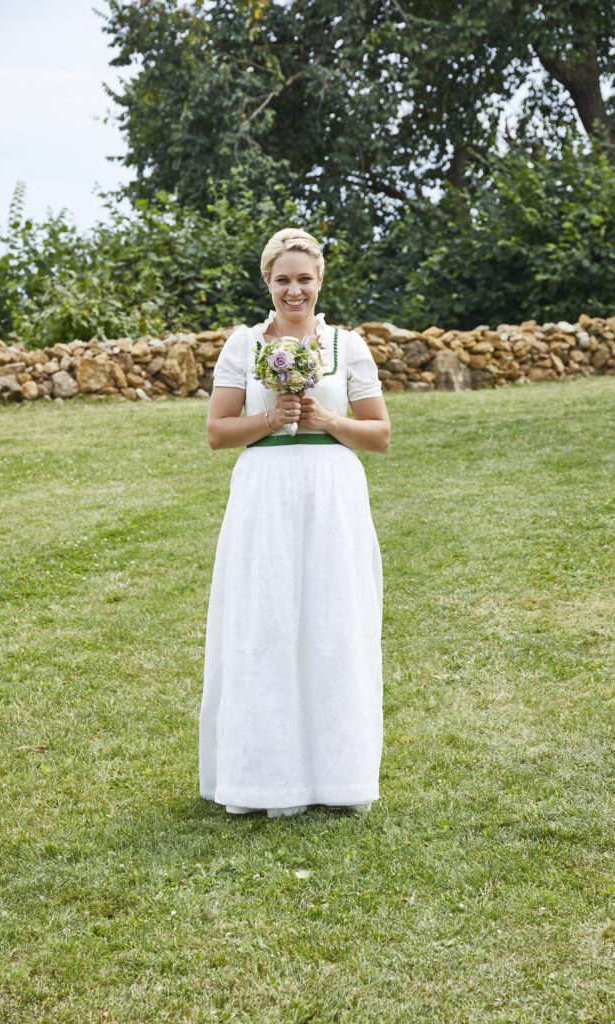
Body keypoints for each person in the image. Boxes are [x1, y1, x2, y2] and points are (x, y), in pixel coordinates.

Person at [198, 227, 390, 819]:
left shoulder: (347, 346)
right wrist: (270, 418)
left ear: (320, 281)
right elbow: (217, 432)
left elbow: (379, 434)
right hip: (265, 491)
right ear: (268, 282)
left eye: (304, 279)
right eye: (283, 279)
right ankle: (264, 780)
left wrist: (326, 419)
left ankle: (338, 776)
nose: (294, 290)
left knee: (333, 620)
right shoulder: (243, 345)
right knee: (266, 619)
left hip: (332, 492)